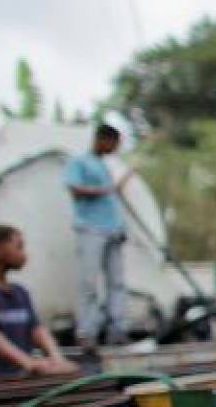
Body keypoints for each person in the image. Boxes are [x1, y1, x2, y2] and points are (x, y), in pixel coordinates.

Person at [0, 225, 78, 378]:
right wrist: (29, 363)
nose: (24, 254)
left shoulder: (20, 292)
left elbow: (37, 330)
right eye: (19, 246)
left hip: (23, 378)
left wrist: (57, 359)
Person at [63, 124, 133, 348]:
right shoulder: (79, 162)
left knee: (117, 282)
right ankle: (87, 331)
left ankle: (117, 328)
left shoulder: (104, 166)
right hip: (91, 229)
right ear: (103, 140)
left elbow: (112, 200)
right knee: (89, 282)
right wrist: (106, 190)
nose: (115, 149)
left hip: (113, 230)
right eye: (114, 143)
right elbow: (74, 190)